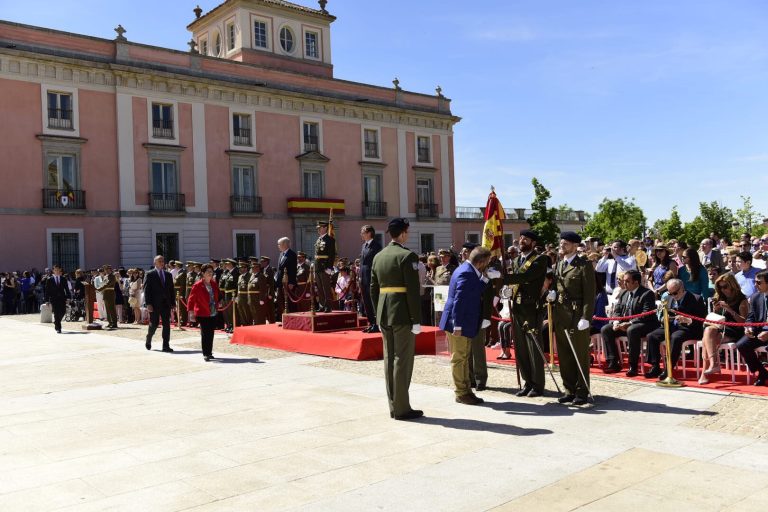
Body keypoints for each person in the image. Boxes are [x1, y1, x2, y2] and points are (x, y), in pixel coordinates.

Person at [370, 217, 423, 420]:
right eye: (407, 232)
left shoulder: (379, 256)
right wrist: (416, 319)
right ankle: (402, 408)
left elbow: (373, 289)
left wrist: (378, 312)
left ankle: (394, 405)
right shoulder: (407, 256)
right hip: (402, 313)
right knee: (402, 359)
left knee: (389, 358)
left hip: (384, 312)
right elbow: (411, 290)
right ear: (402, 233)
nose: (407, 235)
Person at [440, 246, 492, 405]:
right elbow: (459, 301)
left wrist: (485, 279)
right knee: (459, 358)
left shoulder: (467, 269)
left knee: (463, 356)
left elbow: (473, 290)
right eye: (487, 262)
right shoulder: (466, 273)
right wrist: (457, 325)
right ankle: (461, 392)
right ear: (481, 262)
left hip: (463, 322)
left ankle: (466, 390)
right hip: (459, 323)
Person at [551, 231, 596, 406]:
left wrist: (586, 316)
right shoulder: (559, 264)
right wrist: (552, 294)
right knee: (564, 354)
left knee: (580, 355)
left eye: (566, 243)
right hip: (561, 314)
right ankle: (568, 389)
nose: (562, 245)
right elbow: (557, 285)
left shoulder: (584, 265)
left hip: (577, 315)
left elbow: (589, 294)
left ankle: (582, 391)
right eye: (561, 242)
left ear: (575, 246)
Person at [502, 229, 548, 397]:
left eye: (526, 239)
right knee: (520, 347)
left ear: (533, 243)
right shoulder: (516, 260)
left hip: (531, 308)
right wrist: (506, 290)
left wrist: (502, 278)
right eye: (521, 238)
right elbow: (515, 282)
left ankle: (537, 385)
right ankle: (527, 382)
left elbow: (526, 277)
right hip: (517, 307)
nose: (521, 241)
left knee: (533, 348)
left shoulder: (540, 259)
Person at [600, 270, 660, 376]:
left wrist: (630, 323)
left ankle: (633, 366)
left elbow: (646, 314)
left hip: (645, 324)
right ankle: (613, 362)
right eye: (624, 281)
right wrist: (616, 322)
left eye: (627, 281)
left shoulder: (647, 293)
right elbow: (617, 310)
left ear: (636, 282)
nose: (624, 283)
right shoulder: (624, 292)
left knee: (632, 330)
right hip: (625, 324)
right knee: (606, 329)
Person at [644, 278, 706, 380]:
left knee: (675, 337)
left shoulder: (696, 299)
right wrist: (664, 317)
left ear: (682, 289)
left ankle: (669, 368)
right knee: (652, 335)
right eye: (670, 293)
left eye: (675, 293)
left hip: (688, 329)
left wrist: (688, 320)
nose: (673, 296)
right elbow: (666, 313)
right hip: (672, 325)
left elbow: (701, 320)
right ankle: (655, 366)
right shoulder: (670, 298)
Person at [699, 273, 748, 384]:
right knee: (708, 331)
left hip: (735, 329)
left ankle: (706, 372)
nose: (723, 289)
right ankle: (713, 364)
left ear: (732, 285)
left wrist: (729, 309)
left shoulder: (741, 299)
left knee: (705, 340)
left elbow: (743, 321)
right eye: (720, 287)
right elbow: (717, 317)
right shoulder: (720, 297)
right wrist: (716, 310)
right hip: (720, 327)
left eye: (725, 286)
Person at [736, 270, 768, 386]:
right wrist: (748, 328)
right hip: (759, 331)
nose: (755, 285)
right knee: (742, 344)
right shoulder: (755, 297)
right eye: (755, 282)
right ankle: (762, 372)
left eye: (759, 283)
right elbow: (750, 317)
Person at [186, 263, 220, 361]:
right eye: (208, 272)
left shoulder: (214, 283)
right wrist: (191, 312)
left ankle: (209, 352)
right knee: (205, 333)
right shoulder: (197, 285)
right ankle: (206, 353)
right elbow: (191, 299)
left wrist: (220, 301)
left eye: (211, 271)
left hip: (213, 312)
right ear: (203, 273)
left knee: (211, 333)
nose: (210, 273)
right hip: (202, 312)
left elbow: (218, 294)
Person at [143, 255, 176, 353]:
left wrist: (173, 302)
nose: (162, 263)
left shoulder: (168, 275)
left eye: (163, 261)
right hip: (154, 304)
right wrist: (148, 303)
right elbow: (146, 290)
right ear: (155, 263)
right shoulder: (149, 274)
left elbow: (171, 290)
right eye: (160, 261)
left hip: (166, 304)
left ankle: (166, 345)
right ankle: (149, 337)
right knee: (154, 323)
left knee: (167, 324)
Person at [360, 225, 383, 332]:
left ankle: (377, 324)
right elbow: (362, 263)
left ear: (369, 233)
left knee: (374, 301)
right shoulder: (364, 245)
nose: (361, 234)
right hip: (364, 277)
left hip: (372, 277)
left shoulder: (376, 246)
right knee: (366, 301)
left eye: (363, 232)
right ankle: (371, 322)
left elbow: (377, 263)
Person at [314, 220, 336, 312]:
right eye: (318, 228)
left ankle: (328, 306)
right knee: (319, 287)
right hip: (318, 266)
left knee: (326, 287)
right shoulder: (319, 239)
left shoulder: (330, 240)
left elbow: (332, 255)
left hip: (325, 266)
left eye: (320, 228)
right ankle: (322, 305)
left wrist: (329, 268)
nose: (318, 230)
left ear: (325, 228)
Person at [275, 237, 297, 320]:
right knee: (281, 301)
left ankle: (292, 319)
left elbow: (293, 269)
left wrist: (291, 282)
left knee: (290, 302)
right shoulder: (281, 254)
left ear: (285, 244)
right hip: (281, 282)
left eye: (279, 244)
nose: (278, 246)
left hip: (288, 282)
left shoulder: (292, 254)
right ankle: (284, 319)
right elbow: (279, 269)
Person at [44, 264, 70, 333]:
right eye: (55, 270)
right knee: (56, 312)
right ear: (53, 271)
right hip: (54, 298)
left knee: (63, 311)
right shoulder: (49, 279)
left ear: (60, 270)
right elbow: (47, 290)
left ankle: (56, 321)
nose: (57, 271)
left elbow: (67, 289)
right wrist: (46, 300)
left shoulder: (63, 279)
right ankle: (58, 328)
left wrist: (68, 297)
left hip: (62, 298)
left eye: (58, 270)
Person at [219, 259, 238, 333]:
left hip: (232, 294)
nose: (226, 265)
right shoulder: (228, 273)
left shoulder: (235, 272)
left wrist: (236, 296)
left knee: (232, 312)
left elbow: (236, 285)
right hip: (226, 294)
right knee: (227, 312)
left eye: (227, 264)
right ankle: (229, 325)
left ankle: (233, 326)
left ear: (231, 264)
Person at [96, 265, 118, 329]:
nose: (106, 270)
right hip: (105, 293)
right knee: (107, 309)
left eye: (108, 269)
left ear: (110, 270)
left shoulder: (112, 276)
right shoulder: (105, 276)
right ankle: (110, 322)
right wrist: (99, 288)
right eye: (105, 269)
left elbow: (108, 284)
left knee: (112, 309)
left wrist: (99, 289)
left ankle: (114, 323)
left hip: (110, 293)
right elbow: (103, 284)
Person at [248, 260, 269, 325]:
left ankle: (260, 326)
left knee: (259, 314)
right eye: (251, 268)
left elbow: (263, 289)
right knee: (254, 314)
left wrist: (261, 299)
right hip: (252, 298)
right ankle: (256, 325)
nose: (252, 269)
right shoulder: (252, 276)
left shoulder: (261, 276)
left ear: (257, 268)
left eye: (253, 268)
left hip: (257, 298)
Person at [235, 259, 252, 326]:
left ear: (245, 268)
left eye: (241, 268)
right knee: (241, 313)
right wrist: (237, 297)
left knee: (247, 313)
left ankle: (249, 326)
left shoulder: (249, 276)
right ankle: (244, 325)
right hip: (240, 298)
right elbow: (238, 288)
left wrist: (249, 299)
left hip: (246, 298)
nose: (239, 269)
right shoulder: (240, 276)